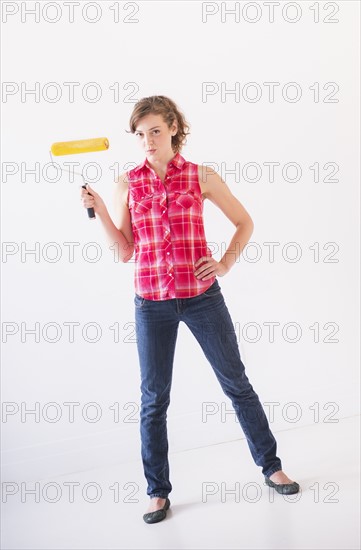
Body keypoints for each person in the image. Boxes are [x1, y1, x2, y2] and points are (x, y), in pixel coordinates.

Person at [81, 95, 300, 524]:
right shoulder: (128, 183)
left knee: (236, 383)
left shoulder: (202, 176)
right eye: (141, 134)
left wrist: (225, 262)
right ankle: (157, 493)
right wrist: (103, 211)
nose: (148, 140)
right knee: (153, 400)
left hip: (202, 298)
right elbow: (124, 252)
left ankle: (272, 468)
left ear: (174, 129)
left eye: (156, 131)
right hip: (151, 305)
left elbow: (244, 221)